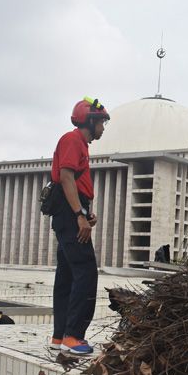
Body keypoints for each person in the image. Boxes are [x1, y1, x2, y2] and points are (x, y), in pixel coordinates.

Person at [49, 97, 109, 355]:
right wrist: (79, 215)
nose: (103, 129)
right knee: (86, 272)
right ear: (90, 120)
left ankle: (60, 336)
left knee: (67, 275)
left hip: (71, 211)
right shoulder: (73, 140)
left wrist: (86, 213)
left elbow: (73, 181)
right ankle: (73, 336)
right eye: (102, 123)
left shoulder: (79, 144)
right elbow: (65, 177)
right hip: (69, 212)